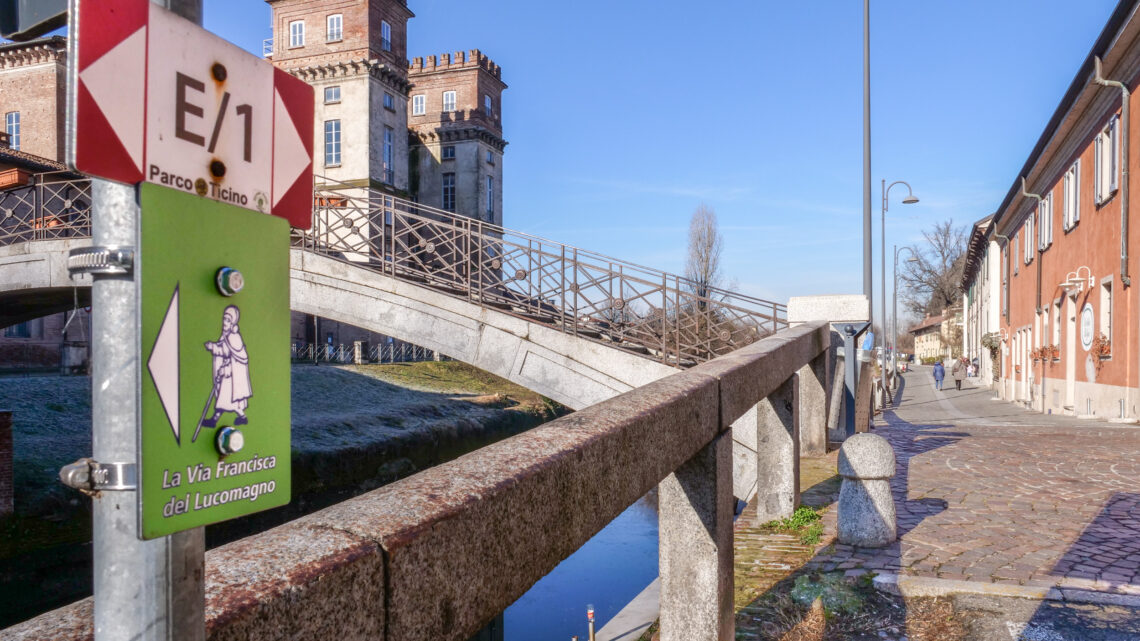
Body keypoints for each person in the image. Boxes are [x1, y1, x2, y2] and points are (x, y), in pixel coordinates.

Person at [202, 305, 252, 427]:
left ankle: (216, 420)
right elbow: (223, 348)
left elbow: (226, 352)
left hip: (230, 376)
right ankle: (239, 417)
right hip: (228, 375)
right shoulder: (226, 335)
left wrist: (212, 347)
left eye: (228, 320)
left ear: (233, 322)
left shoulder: (232, 337)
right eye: (224, 319)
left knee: (226, 400)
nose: (225, 322)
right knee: (224, 400)